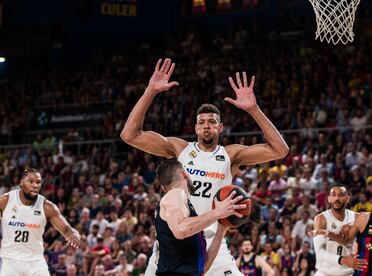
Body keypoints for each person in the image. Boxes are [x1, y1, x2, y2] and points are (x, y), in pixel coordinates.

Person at [121, 58, 289, 276]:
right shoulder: (179, 149)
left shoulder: (231, 154)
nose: (206, 126)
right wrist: (150, 91)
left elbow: (280, 150)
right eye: (201, 122)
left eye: (211, 122)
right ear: (196, 128)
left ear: (220, 127)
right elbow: (130, 135)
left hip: (211, 239)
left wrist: (254, 109)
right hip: (175, 240)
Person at [154, 159, 246, 276]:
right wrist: (217, 212)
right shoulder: (175, 193)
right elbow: (180, 230)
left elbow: (202, 268)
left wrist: (221, 230)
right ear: (184, 174)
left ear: (162, 187)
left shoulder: (186, 213)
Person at [0, 168, 81, 276]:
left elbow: (66, 229)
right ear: (22, 183)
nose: (35, 185)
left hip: (36, 262)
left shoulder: (47, 207)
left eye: (38, 182)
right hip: (10, 261)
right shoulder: (5, 201)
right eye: (31, 181)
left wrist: (73, 233)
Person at [312, 183, 366, 276]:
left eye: (341, 195)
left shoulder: (357, 218)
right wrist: (342, 260)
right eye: (334, 195)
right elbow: (319, 253)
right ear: (329, 198)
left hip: (348, 273)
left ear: (348, 198)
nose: (337, 198)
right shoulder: (321, 219)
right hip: (325, 272)